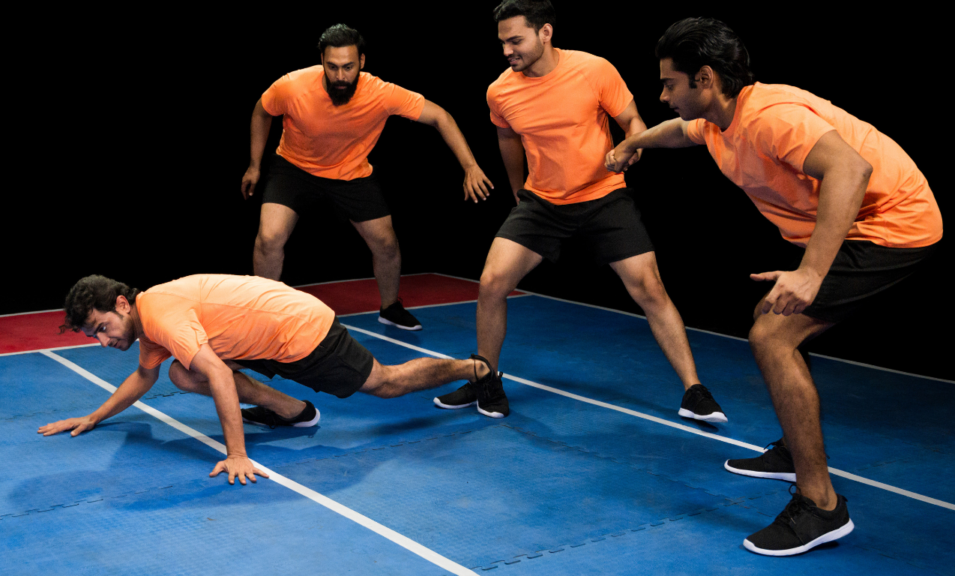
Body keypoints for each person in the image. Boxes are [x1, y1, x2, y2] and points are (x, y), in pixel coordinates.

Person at [607, 17, 942, 556]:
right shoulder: (718, 119)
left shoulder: (770, 118)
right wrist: (630, 146)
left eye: (670, 83)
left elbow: (850, 172)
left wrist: (811, 273)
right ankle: (794, 450)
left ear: (706, 79)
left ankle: (821, 507)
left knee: (772, 335)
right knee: (776, 325)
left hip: (891, 225)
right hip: (856, 223)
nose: (662, 94)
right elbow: (678, 132)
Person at [434, 0, 726, 423]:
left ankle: (694, 392)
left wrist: (632, 146)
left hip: (603, 195)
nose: (507, 50)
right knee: (492, 282)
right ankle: (486, 380)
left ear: (545, 33)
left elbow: (634, 121)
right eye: (502, 42)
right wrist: (518, 191)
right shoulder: (500, 90)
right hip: (543, 202)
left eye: (516, 40)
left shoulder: (593, 69)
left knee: (650, 288)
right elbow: (507, 139)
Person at [38, 274, 498, 485]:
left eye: (101, 329)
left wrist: (236, 455)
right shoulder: (149, 319)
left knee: (384, 383)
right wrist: (94, 417)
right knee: (180, 372)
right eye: (93, 336)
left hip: (298, 330)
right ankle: (295, 413)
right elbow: (145, 376)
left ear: (121, 304)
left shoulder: (160, 315)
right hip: (262, 337)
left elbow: (218, 372)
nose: (102, 341)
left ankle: (479, 369)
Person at [241, 24, 494, 331]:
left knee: (386, 243)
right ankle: (260, 312)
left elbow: (440, 117)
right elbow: (262, 111)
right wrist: (255, 164)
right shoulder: (292, 86)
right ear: (322, 60)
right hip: (294, 168)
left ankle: (390, 307)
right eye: (332, 67)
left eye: (348, 67)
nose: (340, 76)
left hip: (351, 173)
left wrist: (469, 166)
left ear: (362, 61)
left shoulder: (381, 93)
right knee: (268, 238)